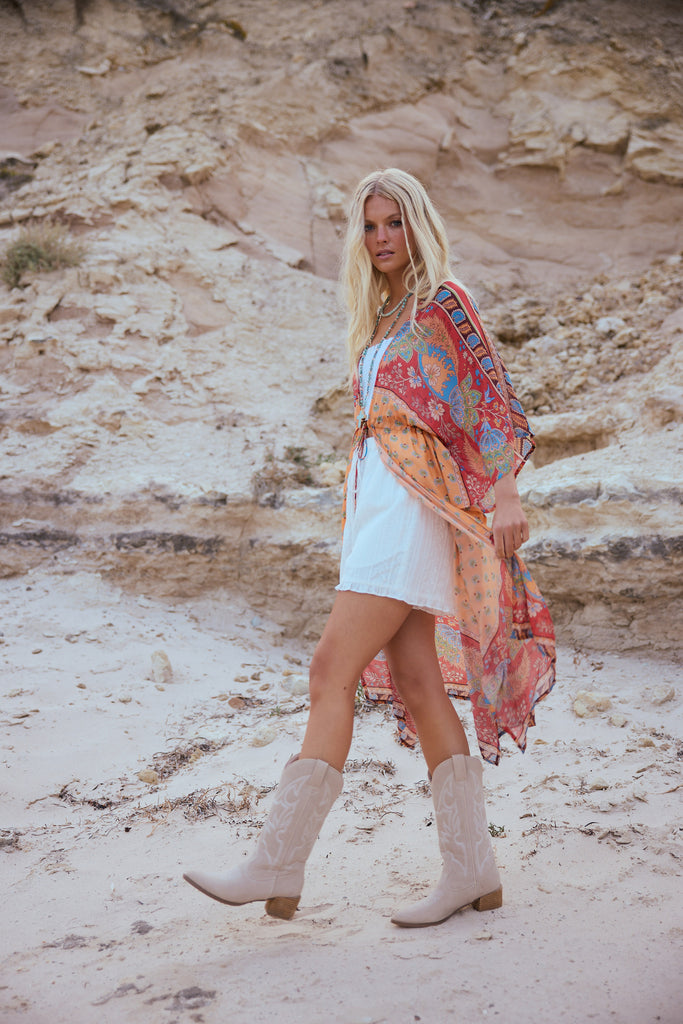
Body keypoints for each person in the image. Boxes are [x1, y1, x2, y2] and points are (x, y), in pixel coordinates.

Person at [183, 168, 556, 928]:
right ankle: (472, 871)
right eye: (371, 225)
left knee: (330, 668)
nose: (382, 237)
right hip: (375, 505)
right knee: (417, 681)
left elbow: (488, 397)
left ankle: (276, 862)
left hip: (411, 510)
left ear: (418, 224)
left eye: (395, 222)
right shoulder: (382, 312)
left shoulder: (444, 301)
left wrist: (507, 495)